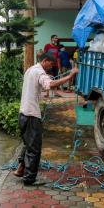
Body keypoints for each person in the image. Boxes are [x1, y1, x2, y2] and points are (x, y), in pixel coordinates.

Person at [13, 52, 79, 185]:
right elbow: (51, 84)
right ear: (45, 60)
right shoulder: (39, 72)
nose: (51, 66)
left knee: (28, 144)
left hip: (23, 114)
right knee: (34, 148)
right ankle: (29, 179)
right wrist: (70, 75)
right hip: (32, 116)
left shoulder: (30, 70)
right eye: (50, 64)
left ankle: (21, 169)